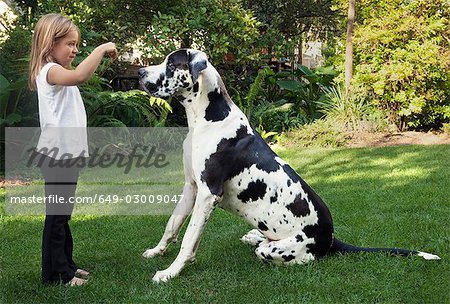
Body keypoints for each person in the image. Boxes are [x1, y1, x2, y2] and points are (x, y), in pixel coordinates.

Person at [28, 13, 117, 286]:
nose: (75, 49)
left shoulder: (57, 72)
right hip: (57, 157)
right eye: (70, 43)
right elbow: (80, 75)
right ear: (49, 43)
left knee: (62, 215)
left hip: (66, 156)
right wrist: (101, 48)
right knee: (56, 217)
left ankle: (66, 265)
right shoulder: (49, 71)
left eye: (77, 44)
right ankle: (57, 276)